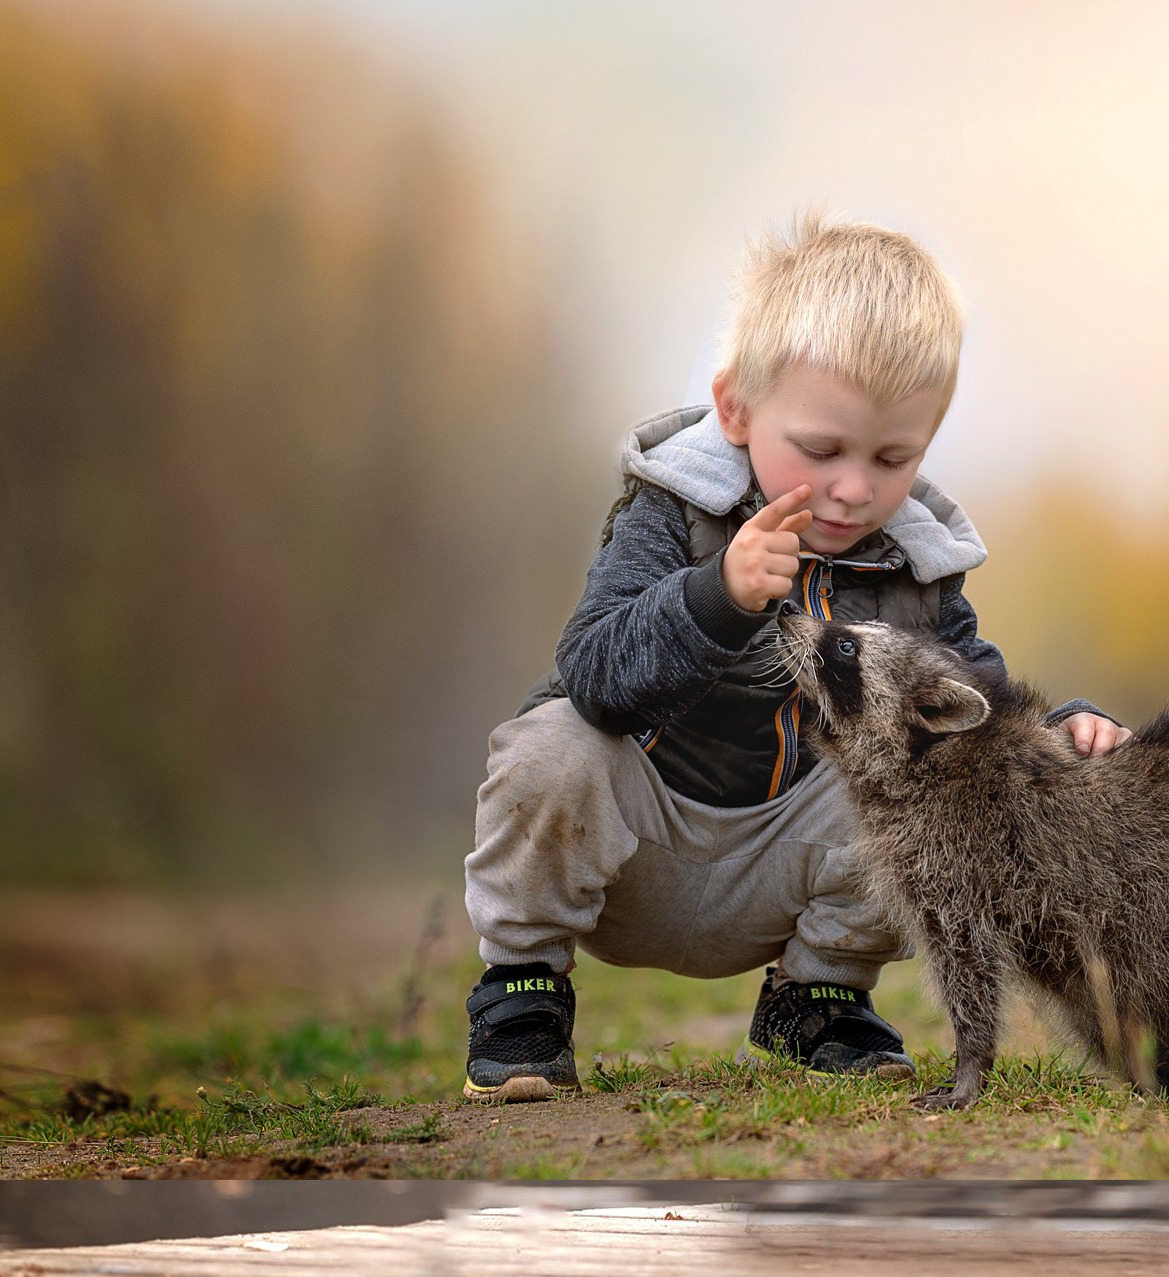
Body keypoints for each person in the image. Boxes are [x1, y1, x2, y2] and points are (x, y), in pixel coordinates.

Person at [461, 211, 1128, 1101]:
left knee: (931, 787)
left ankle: (817, 993)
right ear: (735, 407)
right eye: (823, 449)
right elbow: (594, 673)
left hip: (788, 865)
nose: (857, 487)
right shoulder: (674, 512)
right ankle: (524, 991)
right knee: (549, 747)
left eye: (895, 457)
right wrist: (718, 596)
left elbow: (975, 701)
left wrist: (1060, 727)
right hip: (634, 851)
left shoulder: (913, 563)